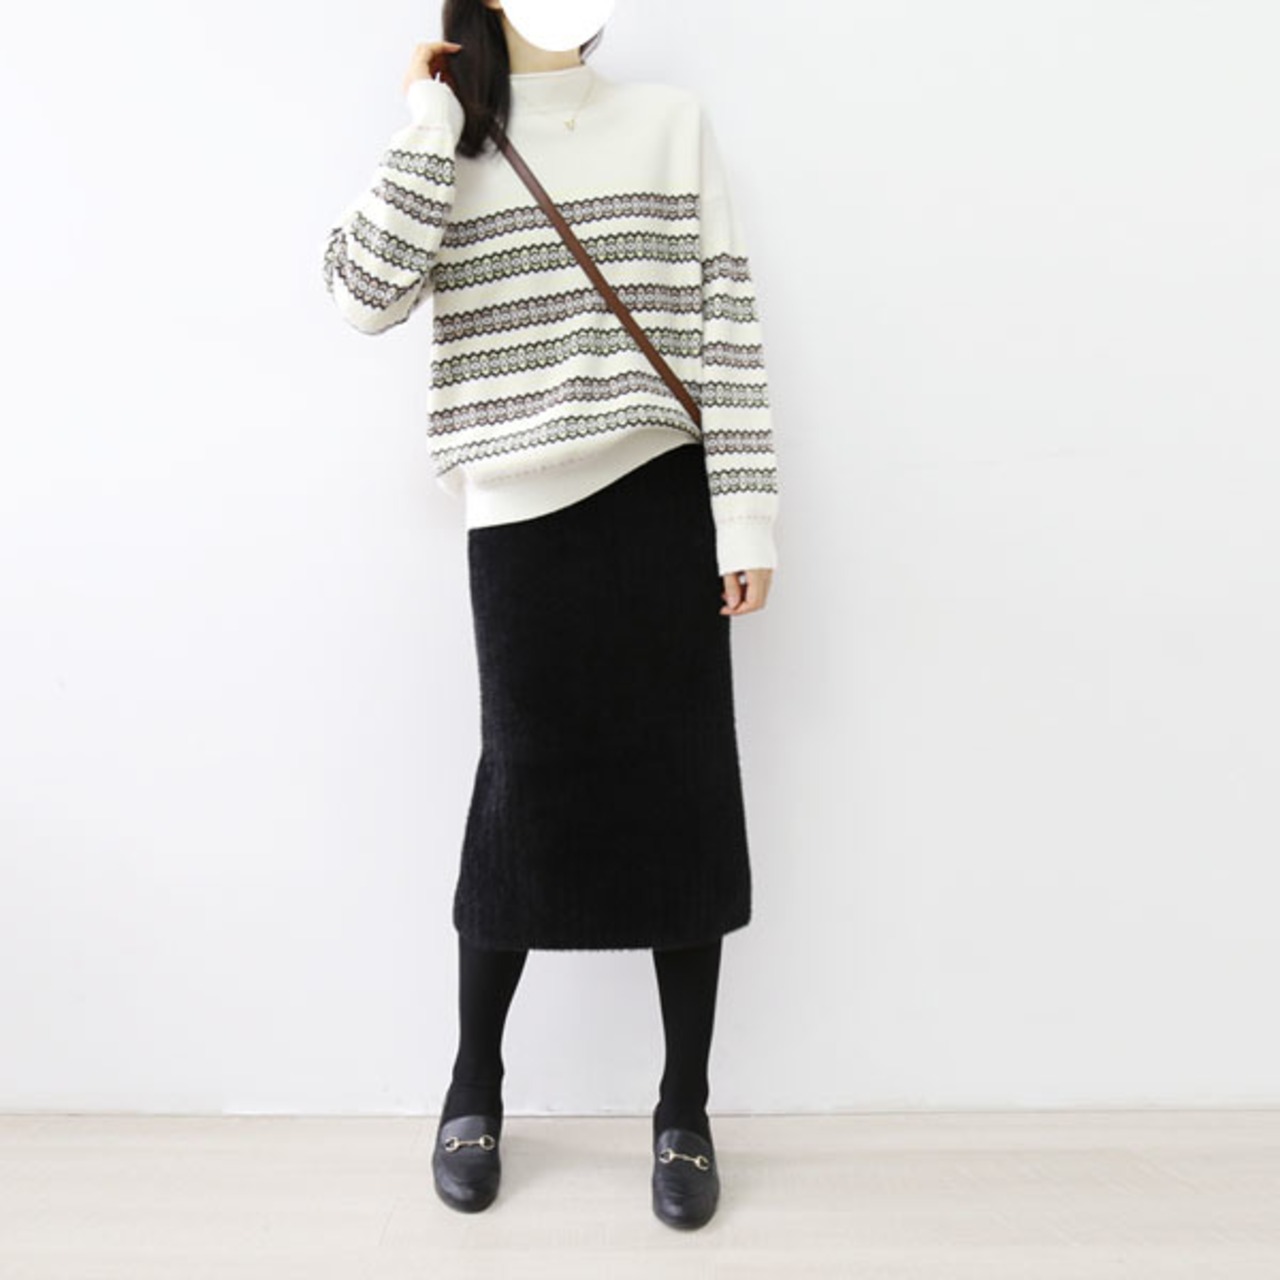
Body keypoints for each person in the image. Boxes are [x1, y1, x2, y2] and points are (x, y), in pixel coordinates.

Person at [322, 0, 781, 1230]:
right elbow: (361, 293)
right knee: (521, 796)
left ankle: (682, 1107)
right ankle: (473, 1082)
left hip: (664, 500)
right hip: (520, 518)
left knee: (685, 794)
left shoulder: (670, 124)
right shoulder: (451, 141)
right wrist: (430, 116)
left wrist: (745, 516)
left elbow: (723, 321)